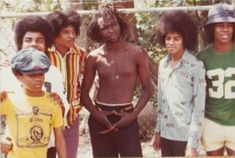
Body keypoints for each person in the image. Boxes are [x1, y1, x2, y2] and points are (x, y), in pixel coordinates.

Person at [81, 4, 152, 158]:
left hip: (126, 117)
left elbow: (148, 88)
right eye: (105, 27)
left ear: (119, 24)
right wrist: (96, 114)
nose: (111, 30)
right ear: (98, 31)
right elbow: (84, 93)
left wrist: (133, 115)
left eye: (113, 24)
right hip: (100, 118)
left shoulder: (137, 53)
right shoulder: (94, 57)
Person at [0, 15, 69, 158]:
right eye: (28, 40)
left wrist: (59, 103)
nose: (33, 44)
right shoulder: (7, 73)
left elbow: (63, 110)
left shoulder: (54, 72)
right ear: (20, 42)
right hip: (15, 148)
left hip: (46, 147)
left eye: (40, 40)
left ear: (47, 43)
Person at [152, 10, 206, 157]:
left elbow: (199, 108)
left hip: (184, 135)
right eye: (168, 38)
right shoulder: (163, 64)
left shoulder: (195, 66)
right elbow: (161, 101)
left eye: (176, 38)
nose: (171, 42)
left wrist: (192, 143)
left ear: (185, 39)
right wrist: (158, 131)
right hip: (165, 134)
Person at [46, 9, 86, 158]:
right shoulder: (43, 53)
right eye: (66, 32)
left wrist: (76, 107)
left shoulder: (80, 54)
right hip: (46, 118)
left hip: (70, 118)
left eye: (73, 31)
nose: (72, 36)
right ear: (54, 34)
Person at [197, 3, 235, 156]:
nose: (225, 29)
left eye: (229, 25)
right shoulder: (202, 57)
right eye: (220, 25)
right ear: (211, 28)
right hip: (211, 120)